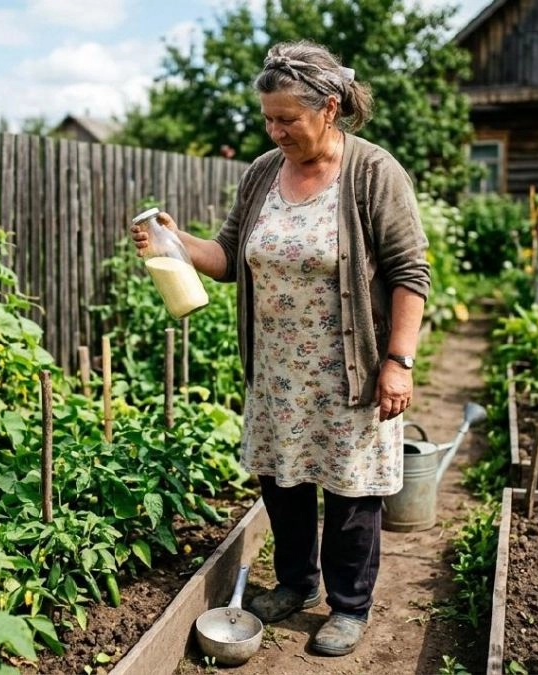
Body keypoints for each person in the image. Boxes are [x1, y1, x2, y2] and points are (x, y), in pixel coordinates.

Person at [130, 40, 429, 657]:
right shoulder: (264, 172)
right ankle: (297, 583)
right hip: (277, 369)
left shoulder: (373, 172)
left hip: (353, 369)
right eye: (268, 118)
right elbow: (225, 259)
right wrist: (172, 239)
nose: (275, 130)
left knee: (352, 491)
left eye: (287, 118)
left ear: (329, 107)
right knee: (282, 484)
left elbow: (409, 272)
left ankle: (349, 607)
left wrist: (398, 362)